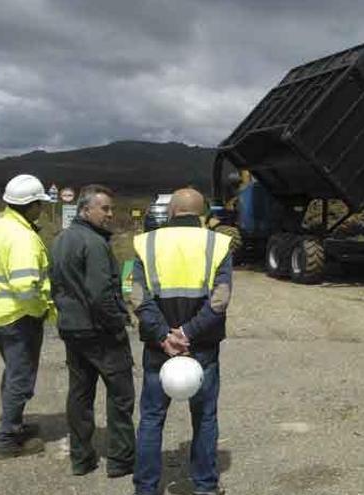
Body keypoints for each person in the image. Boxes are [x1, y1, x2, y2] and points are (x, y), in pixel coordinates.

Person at [131, 188, 233, 495]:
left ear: (172, 211)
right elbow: (220, 300)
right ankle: (205, 487)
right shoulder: (218, 243)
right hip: (201, 347)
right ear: (201, 214)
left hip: (158, 348)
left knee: (151, 418)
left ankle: (146, 489)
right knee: (204, 418)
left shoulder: (145, 243)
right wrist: (187, 333)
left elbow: (136, 297)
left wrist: (164, 335)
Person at [50, 184, 135, 477]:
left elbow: (57, 285)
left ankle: (81, 459)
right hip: (99, 332)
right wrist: (117, 324)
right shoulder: (95, 244)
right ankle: (121, 460)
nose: (111, 214)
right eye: (105, 209)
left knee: (80, 394)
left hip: (72, 329)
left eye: (111, 208)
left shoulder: (60, 240)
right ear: (86, 210)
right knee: (121, 395)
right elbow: (101, 294)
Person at [0, 174, 55, 459]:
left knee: (13, 372)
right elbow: (25, 287)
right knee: (21, 378)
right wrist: (40, 309)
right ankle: (8, 440)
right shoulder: (23, 238)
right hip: (18, 316)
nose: (43, 209)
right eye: (40, 204)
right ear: (31, 205)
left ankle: (15, 423)